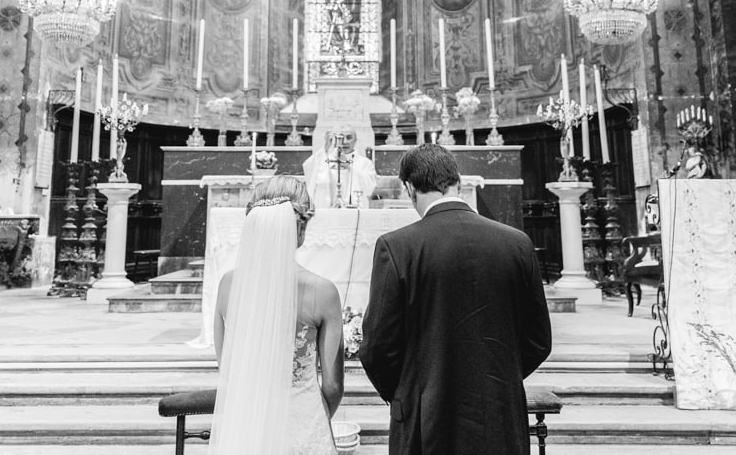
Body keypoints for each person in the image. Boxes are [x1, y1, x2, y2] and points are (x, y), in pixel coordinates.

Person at [359, 144, 552, 455]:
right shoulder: (517, 243)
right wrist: (498, 377)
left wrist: (411, 388)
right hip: (500, 413)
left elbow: (376, 347)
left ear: (410, 188)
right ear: (457, 181)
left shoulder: (397, 247)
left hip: (427, 418)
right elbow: (538, 340)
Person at [210, 176, 344, 454]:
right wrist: (310, 424)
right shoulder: (322, 291)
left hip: (245, 425)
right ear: (301, 226)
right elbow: (332, 385)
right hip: (304, 425)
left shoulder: (228, 285)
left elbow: (227, 368)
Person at [301, 127, 377, 209]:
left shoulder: (365, 164)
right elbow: (311, 170)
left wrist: (350, 167)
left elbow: (370, 187)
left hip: (355, 211)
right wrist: (326, 147)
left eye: (349, 138)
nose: (345, 142)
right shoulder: (327, 160)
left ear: (355, 140)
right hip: (330, 210)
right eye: (341, 138)